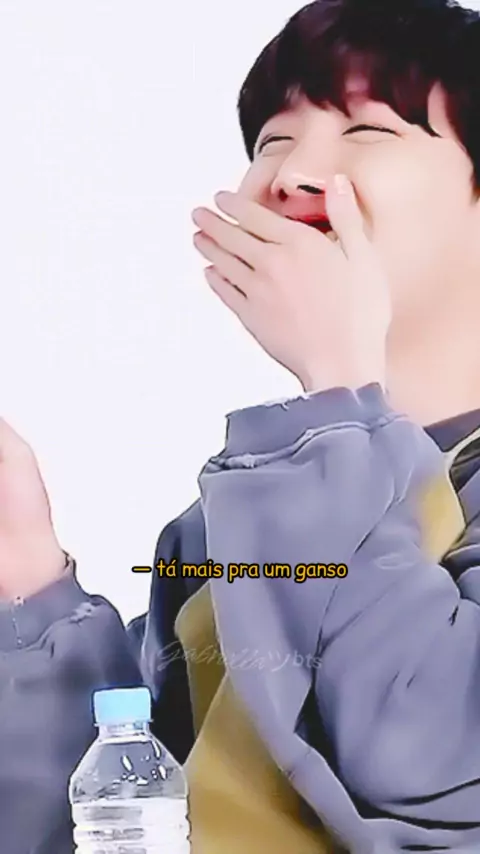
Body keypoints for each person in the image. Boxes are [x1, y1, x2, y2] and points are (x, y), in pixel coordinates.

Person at [2, 0, 480, 851]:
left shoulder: (297, 479)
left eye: (368, 131)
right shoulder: (239, 512)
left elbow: (439, 765)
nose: (290, 174)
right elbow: (122, 816)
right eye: (272, 140)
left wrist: (338, 394)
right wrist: (29, 580)